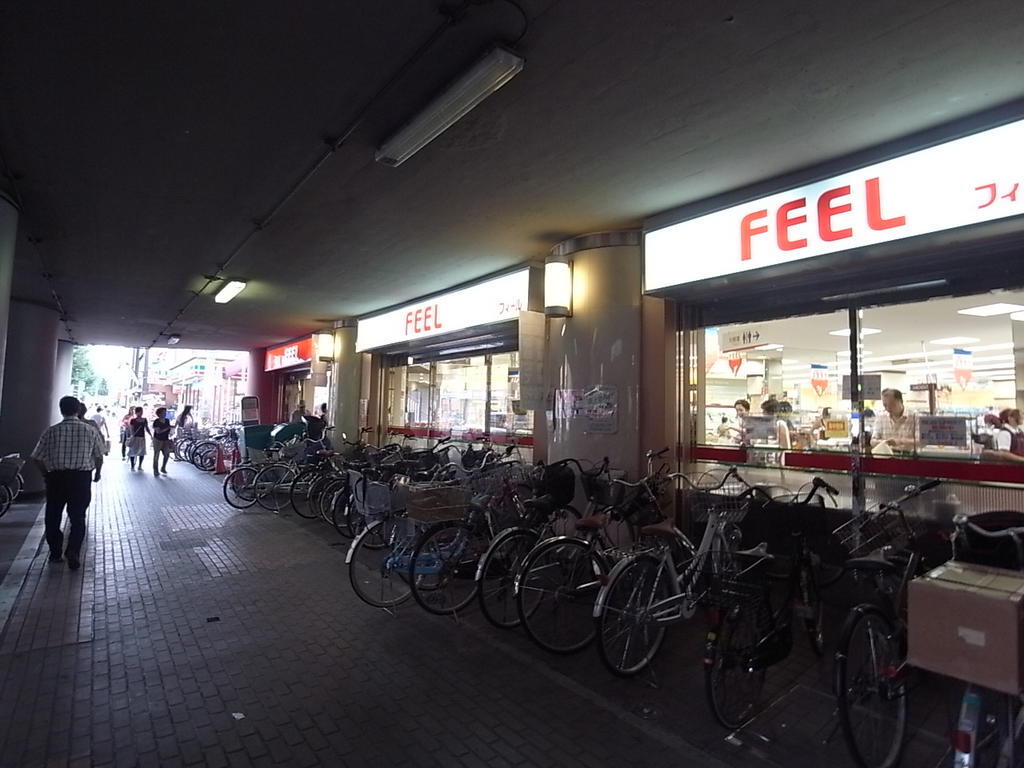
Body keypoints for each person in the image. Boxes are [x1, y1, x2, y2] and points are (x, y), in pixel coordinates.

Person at [29, 396, 104, 570]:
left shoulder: (51, 431)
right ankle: (73, 551)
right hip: (81, 478)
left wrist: (46, 475)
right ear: (78, 410)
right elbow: (99, 456)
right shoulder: (90, 430)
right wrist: (97, 472)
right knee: (78, 517)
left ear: (61, 410)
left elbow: (36, 458)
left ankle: (55, 552)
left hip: (56, 479)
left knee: (53, 516)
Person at [872, 388, 917, 453]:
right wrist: (884, 442)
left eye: (892, 404)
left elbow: (921, 442)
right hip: (886, 456)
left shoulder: (914, 417)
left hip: (908, 456)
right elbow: (873, 441)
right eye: (885, 405)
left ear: (900, 401)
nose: (888, 408)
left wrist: (900, 442)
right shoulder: (881, 418)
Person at [152, 406, 173, 476]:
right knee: (156, 455)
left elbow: (169, 429)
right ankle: (155, 470)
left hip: (165, 439)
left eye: (165, 412)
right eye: (163, 412)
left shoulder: (167, 420)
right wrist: (167, 428)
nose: (165, 414)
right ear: (159, 414)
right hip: (157, 440)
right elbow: (158, 432)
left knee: (167, 454)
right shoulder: (156, 421)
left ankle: (163, 467)